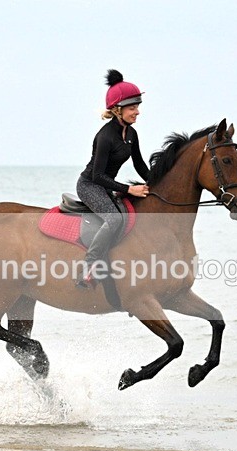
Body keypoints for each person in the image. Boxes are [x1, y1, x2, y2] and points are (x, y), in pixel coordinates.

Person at [76, 69, 150, 288]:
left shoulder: (132, 134)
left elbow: (139, 165)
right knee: (115, 219)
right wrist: (129, 189)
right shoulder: (106, 136)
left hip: (106, 186)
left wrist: (156, 184)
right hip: (90, 185)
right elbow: (98, 176)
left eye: (138, 106)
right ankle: (88, 266)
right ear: (118, 110)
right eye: (132, 107)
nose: (137, 112)